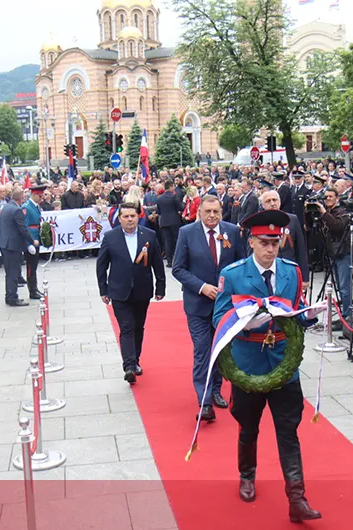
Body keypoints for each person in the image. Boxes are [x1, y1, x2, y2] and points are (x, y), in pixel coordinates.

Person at [212, 209, 325, 522]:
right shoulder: (233, 274)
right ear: (251, 242)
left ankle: (297, 498)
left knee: (288, 430)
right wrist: (246, 322)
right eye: (264, 242)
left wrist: (312, 315)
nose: (270, 248)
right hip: (248, 363)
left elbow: (297, 311)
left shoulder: (291, 272)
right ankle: (247, 473)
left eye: (275, 242)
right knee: (248, 425)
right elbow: (218, 317)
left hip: (283, 364)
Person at [172, 195, 246, 421]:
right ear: (199, 213)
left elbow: (241, 263)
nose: (212, 216)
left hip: (225, 306)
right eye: (208, 212)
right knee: (203, 350)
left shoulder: (232, 231)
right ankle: (204, 401)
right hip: (198, 305)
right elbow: (178, 268)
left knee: (221, 349)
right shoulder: (187, 233)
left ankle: (216, 389)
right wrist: (202, 287)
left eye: (216, 211)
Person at [96, 202, 165, 383]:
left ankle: (136, 359)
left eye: (132, 216)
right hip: (119, 290)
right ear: (119, 219)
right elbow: (101, 265)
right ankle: (129, 366)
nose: (129, 219)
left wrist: (161, 287)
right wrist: (103, 289)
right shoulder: (110, 237)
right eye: (125, 216)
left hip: (142, 289)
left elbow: (157, 262)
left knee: (138, 327)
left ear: (138, 217)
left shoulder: (149, 235)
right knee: (126, 327)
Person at [312, 188, 352, 329]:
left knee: (344, 287)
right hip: (330, 253)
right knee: (337, 287)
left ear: (337, 198)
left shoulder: (343, 212)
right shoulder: (327, 213)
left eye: (330, 196)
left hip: (342, 253)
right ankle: (342, 314)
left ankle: (347, 316)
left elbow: (337, 227)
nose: (327, 199)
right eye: (326, 196)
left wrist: (323, 213)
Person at [260, 190, 308, 286]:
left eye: (275, 200)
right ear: (262, 205)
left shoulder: (292, 219)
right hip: (266, 273)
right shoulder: (258, 222)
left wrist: (305, 277)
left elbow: (301, 249)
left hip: (289, 271)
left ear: (280, 202)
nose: (272, 203)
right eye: (268, 201)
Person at [0, 188, 35, 307]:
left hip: (4, 243)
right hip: (12, 245)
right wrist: (31, 241)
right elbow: (22, 229)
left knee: (9, 272)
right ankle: (12, 297)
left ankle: (9, 296)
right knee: (13, 272)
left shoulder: (7, 207)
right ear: (21, 199)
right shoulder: (17, 210)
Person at [22, 185, 46, 299]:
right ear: (34, 194)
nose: (42, 198)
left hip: (36, 238)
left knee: (34, 266)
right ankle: (32, 290)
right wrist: (28, 244)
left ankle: (35, 288)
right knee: (31, 267)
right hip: (32, 240)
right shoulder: (26, 207)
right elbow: (24, 227)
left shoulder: (36, 206)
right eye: (40, 196)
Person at [155, 180, 182, 267]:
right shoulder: (174, 196)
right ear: (170, 187)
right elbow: (180, 208)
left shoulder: (159, 198)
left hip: (163, 221)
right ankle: (177, 259)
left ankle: (169, 261)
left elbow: (158, 211)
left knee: (167, 241)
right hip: (174, 221)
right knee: (176, 239)